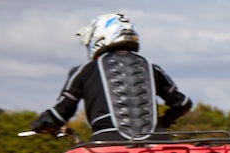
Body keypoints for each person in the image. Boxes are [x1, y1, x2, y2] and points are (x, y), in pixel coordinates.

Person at [33, 12, 193, 139]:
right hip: (156, 142)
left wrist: (43, 123)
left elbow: (61, 112)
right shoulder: (152, 68)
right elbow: (183, 104)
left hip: (108, 141)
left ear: (98, 36)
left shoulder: (85, 70)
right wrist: (165, 121)